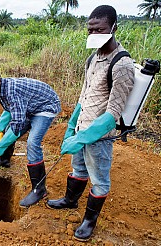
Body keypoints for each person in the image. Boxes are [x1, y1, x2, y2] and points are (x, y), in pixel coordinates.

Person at [46, 5, 135, 242]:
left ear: (114, 27)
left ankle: (88, 221)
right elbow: (84, 96)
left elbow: (113, 113)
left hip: (99, 137)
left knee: (99, 180)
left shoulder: (122, 65)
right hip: (82, 127)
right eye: (91, 29)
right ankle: (69, 200)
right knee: (79, 169)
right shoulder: (92, 57)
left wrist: (83, 138)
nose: (95, 34)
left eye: (101, 29)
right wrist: (71, 127)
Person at [0, 70, 61, 207]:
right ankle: (4, 161)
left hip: (45, 107)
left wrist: (0, 146)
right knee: (7, 130)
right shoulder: (1, 89)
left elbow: (17, 123)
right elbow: (9, 112)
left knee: (32, 143)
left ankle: (39, 190)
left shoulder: (12, 91)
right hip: (30, 106)